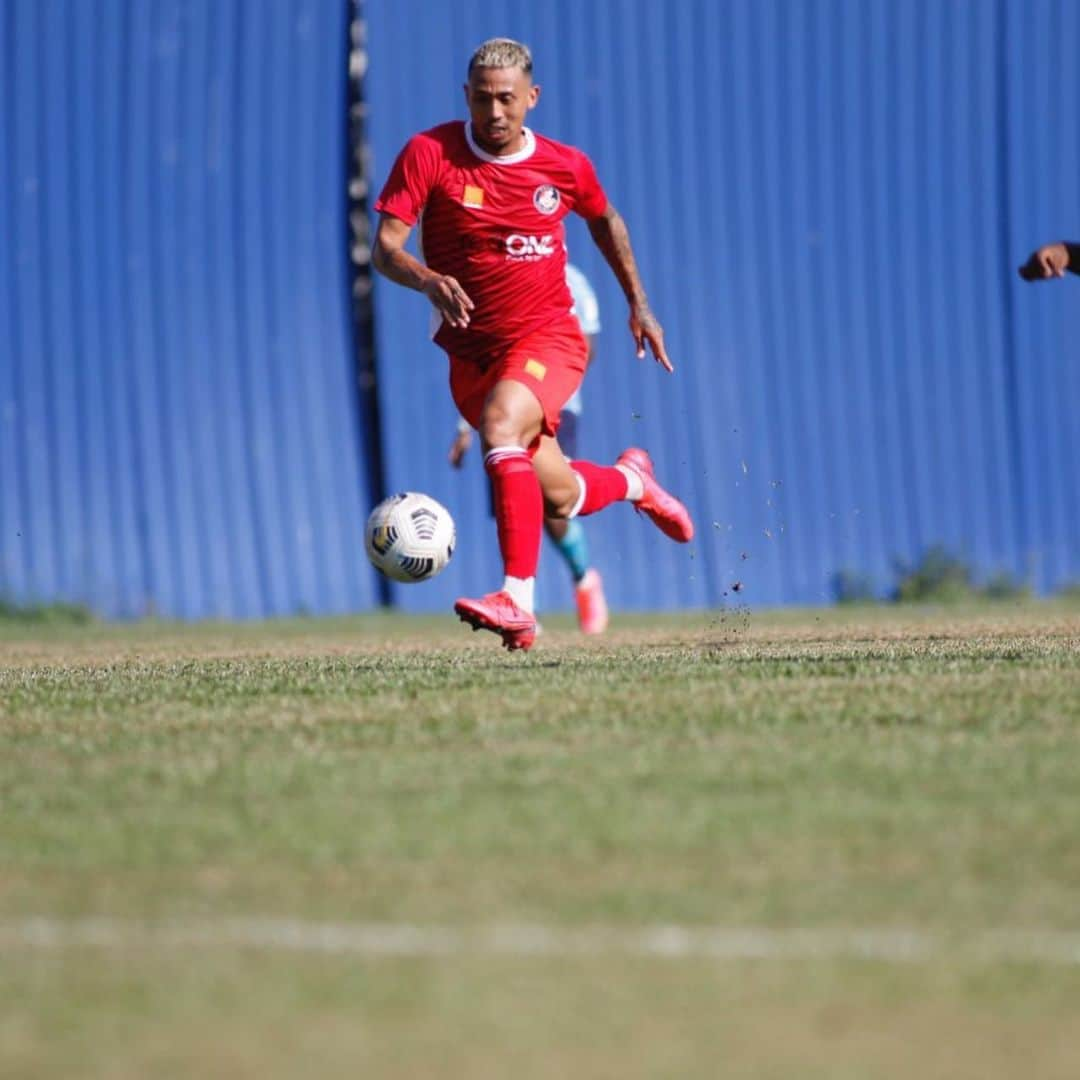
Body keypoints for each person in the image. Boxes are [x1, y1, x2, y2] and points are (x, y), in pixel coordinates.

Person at [372, 37, 693, 652]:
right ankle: (633, 481)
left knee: (500, 427)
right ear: (466, 96)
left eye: (508, 100)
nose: (495, 113)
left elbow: (605, 221)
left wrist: (640, 304)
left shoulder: (564, 166)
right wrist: (428, 279)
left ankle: (516, 600)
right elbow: (386, 247)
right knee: (561, 494)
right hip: (471, 353)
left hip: (548, 336)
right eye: (484, 99)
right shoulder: (428, 153)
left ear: (532, 99)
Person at [448, 262, 610, 635]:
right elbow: (485, 356)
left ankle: (584, 580)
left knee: (555, 508)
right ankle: (522, 605)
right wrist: (464, 426)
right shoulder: (497, 271)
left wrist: (540, 377)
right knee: (514, 505)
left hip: (555, 402)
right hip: (500, 406)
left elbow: (587, 345)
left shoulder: (573, 279)